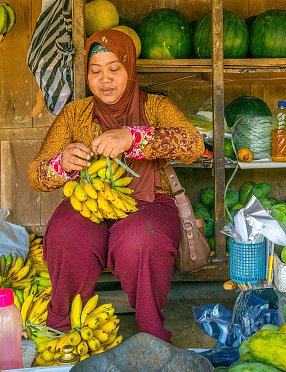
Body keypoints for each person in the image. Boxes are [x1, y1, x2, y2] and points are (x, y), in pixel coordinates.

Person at [28, 29, 204, 342]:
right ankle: (63, 331)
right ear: (86, 74)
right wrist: (62, 163)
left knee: (141, 239)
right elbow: (36, 175)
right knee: (67, 233)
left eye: (114, 69)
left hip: (149, 203)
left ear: (130, 68)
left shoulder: (156, 107)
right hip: (91, 203)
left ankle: (151, 333)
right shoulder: (74, 115)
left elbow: (193, 144)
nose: (105, 79)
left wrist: (135, 137)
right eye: (95, 71)